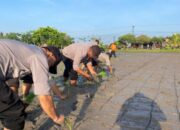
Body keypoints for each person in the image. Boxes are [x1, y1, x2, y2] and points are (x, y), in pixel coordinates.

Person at [0, 39, 64, 130]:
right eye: (52, 64)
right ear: (50, 54)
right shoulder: (39, 56)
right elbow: (44, 95)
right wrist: (56, 117)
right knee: (14, 113)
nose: (49, 67)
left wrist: (13, 99)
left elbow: (49, 81)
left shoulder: (29, 50)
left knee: (10, 103)